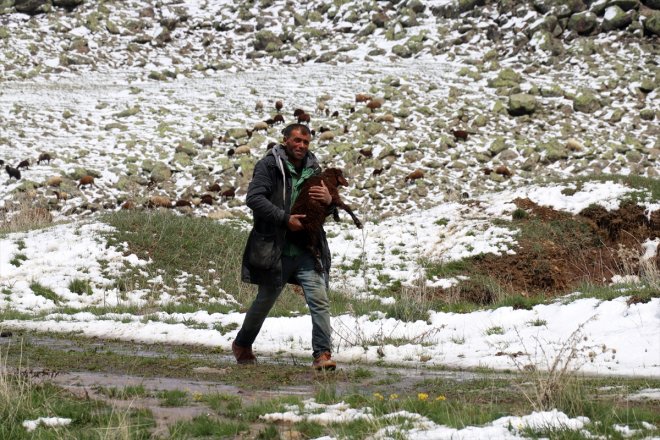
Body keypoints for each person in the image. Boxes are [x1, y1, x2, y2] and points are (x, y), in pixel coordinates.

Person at [232, 123, 337, 370]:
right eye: (297, 140)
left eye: (306, 142)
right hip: (275, 248)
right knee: (265, 300)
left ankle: (322, 355)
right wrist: (284, 219)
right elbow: (254, 199)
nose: (301, 146)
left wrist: (330, 202)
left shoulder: (314, 169)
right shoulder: (268, 165)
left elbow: (323, 209)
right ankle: (242, 344)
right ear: (285, 140)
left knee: (319, 299)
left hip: (307, 249)